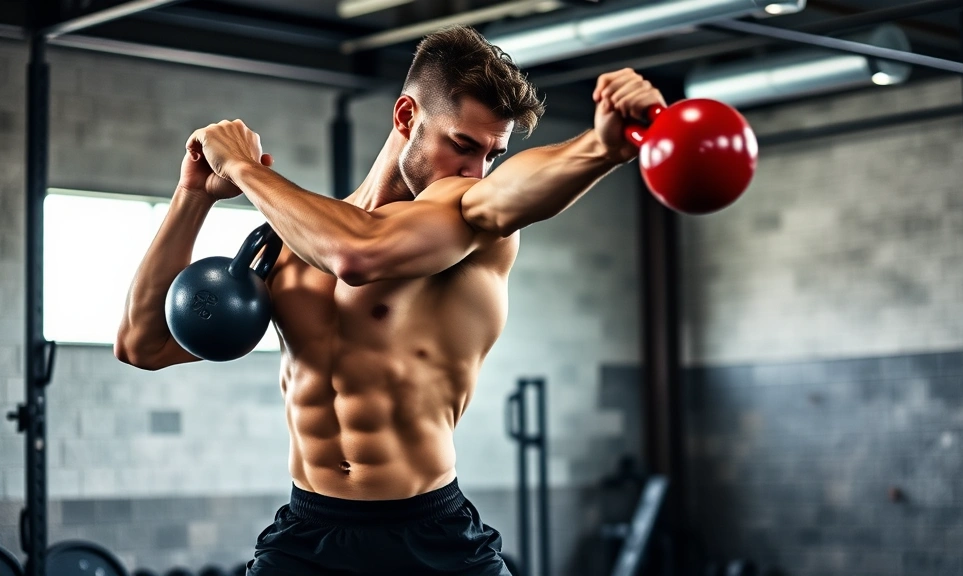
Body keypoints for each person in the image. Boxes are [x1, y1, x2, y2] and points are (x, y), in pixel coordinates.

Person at [116, 25, 665, 576]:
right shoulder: (291, 239)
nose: (476, 171)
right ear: (406, 116)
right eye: (463, 146)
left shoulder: (467, 220)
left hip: (431, 538)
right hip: (307, 537)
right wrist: (193, 193)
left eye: (492, 155)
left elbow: (358, 254)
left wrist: (601, 148)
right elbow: (144, 344)